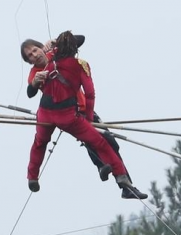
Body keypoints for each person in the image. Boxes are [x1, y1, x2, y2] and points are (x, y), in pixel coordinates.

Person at [21, 31, 148, 200]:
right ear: (28, 61)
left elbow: (79, 40)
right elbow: (30, 91)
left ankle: (121, 182)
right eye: (29, 55)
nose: (34, 55)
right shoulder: (35, 73)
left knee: (109, 143)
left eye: (35, 50)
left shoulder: (56, 53)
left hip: (83, 107)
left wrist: (54, 42)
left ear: (41, 47)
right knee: (92, 141)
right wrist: (35, 82)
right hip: (64, 112)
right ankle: (107, 170)